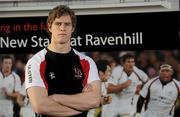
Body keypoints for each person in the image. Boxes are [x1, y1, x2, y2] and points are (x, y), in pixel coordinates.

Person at [25, 5, 101, 117]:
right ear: (50, 27)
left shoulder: (87, 62)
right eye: (58, 24)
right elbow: (40, 106)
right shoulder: (36, 62)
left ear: (73, 28)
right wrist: (81, 108)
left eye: (67, 24)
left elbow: (95, 100)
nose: (62, 28)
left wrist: (55, 97)